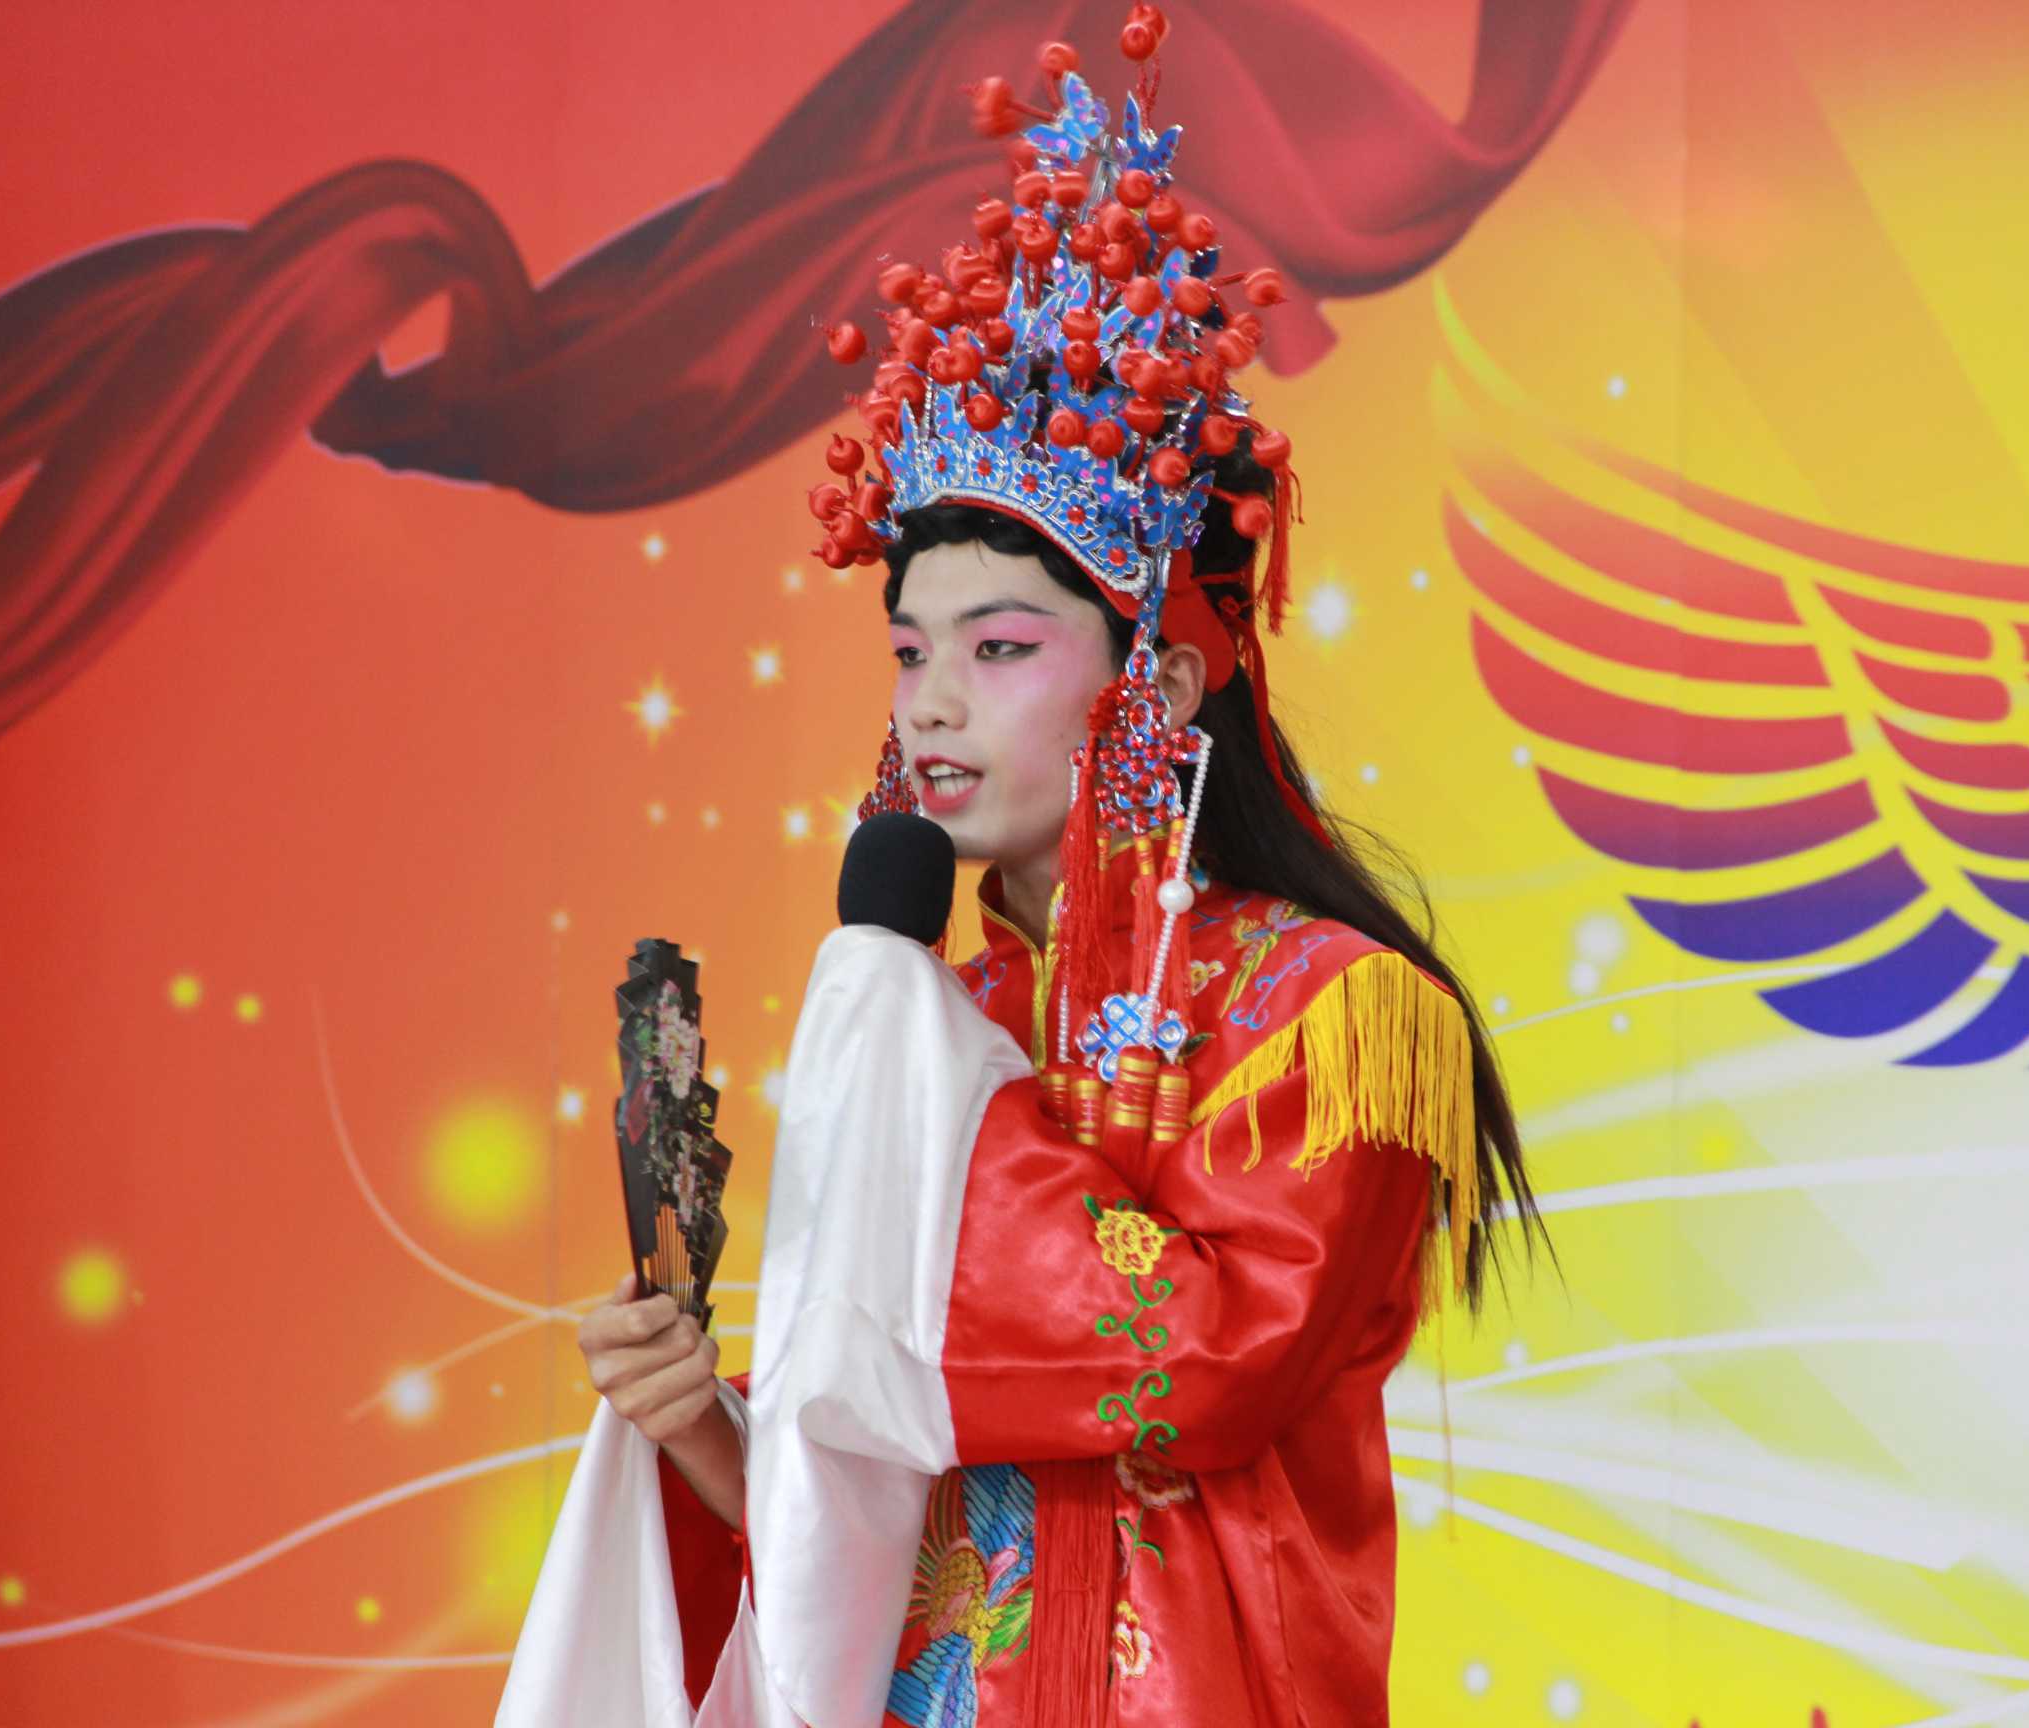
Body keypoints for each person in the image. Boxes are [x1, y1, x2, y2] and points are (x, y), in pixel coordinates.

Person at [501, 15, 1543, 1726]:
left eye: (997, 647)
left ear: (1165, 682)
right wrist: (707, 1424)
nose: (930, 706)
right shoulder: (945, 1015)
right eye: (911, 652)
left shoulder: (1330, 1016)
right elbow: (891, 1528)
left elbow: (1192, 1366)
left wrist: (925, 1105)